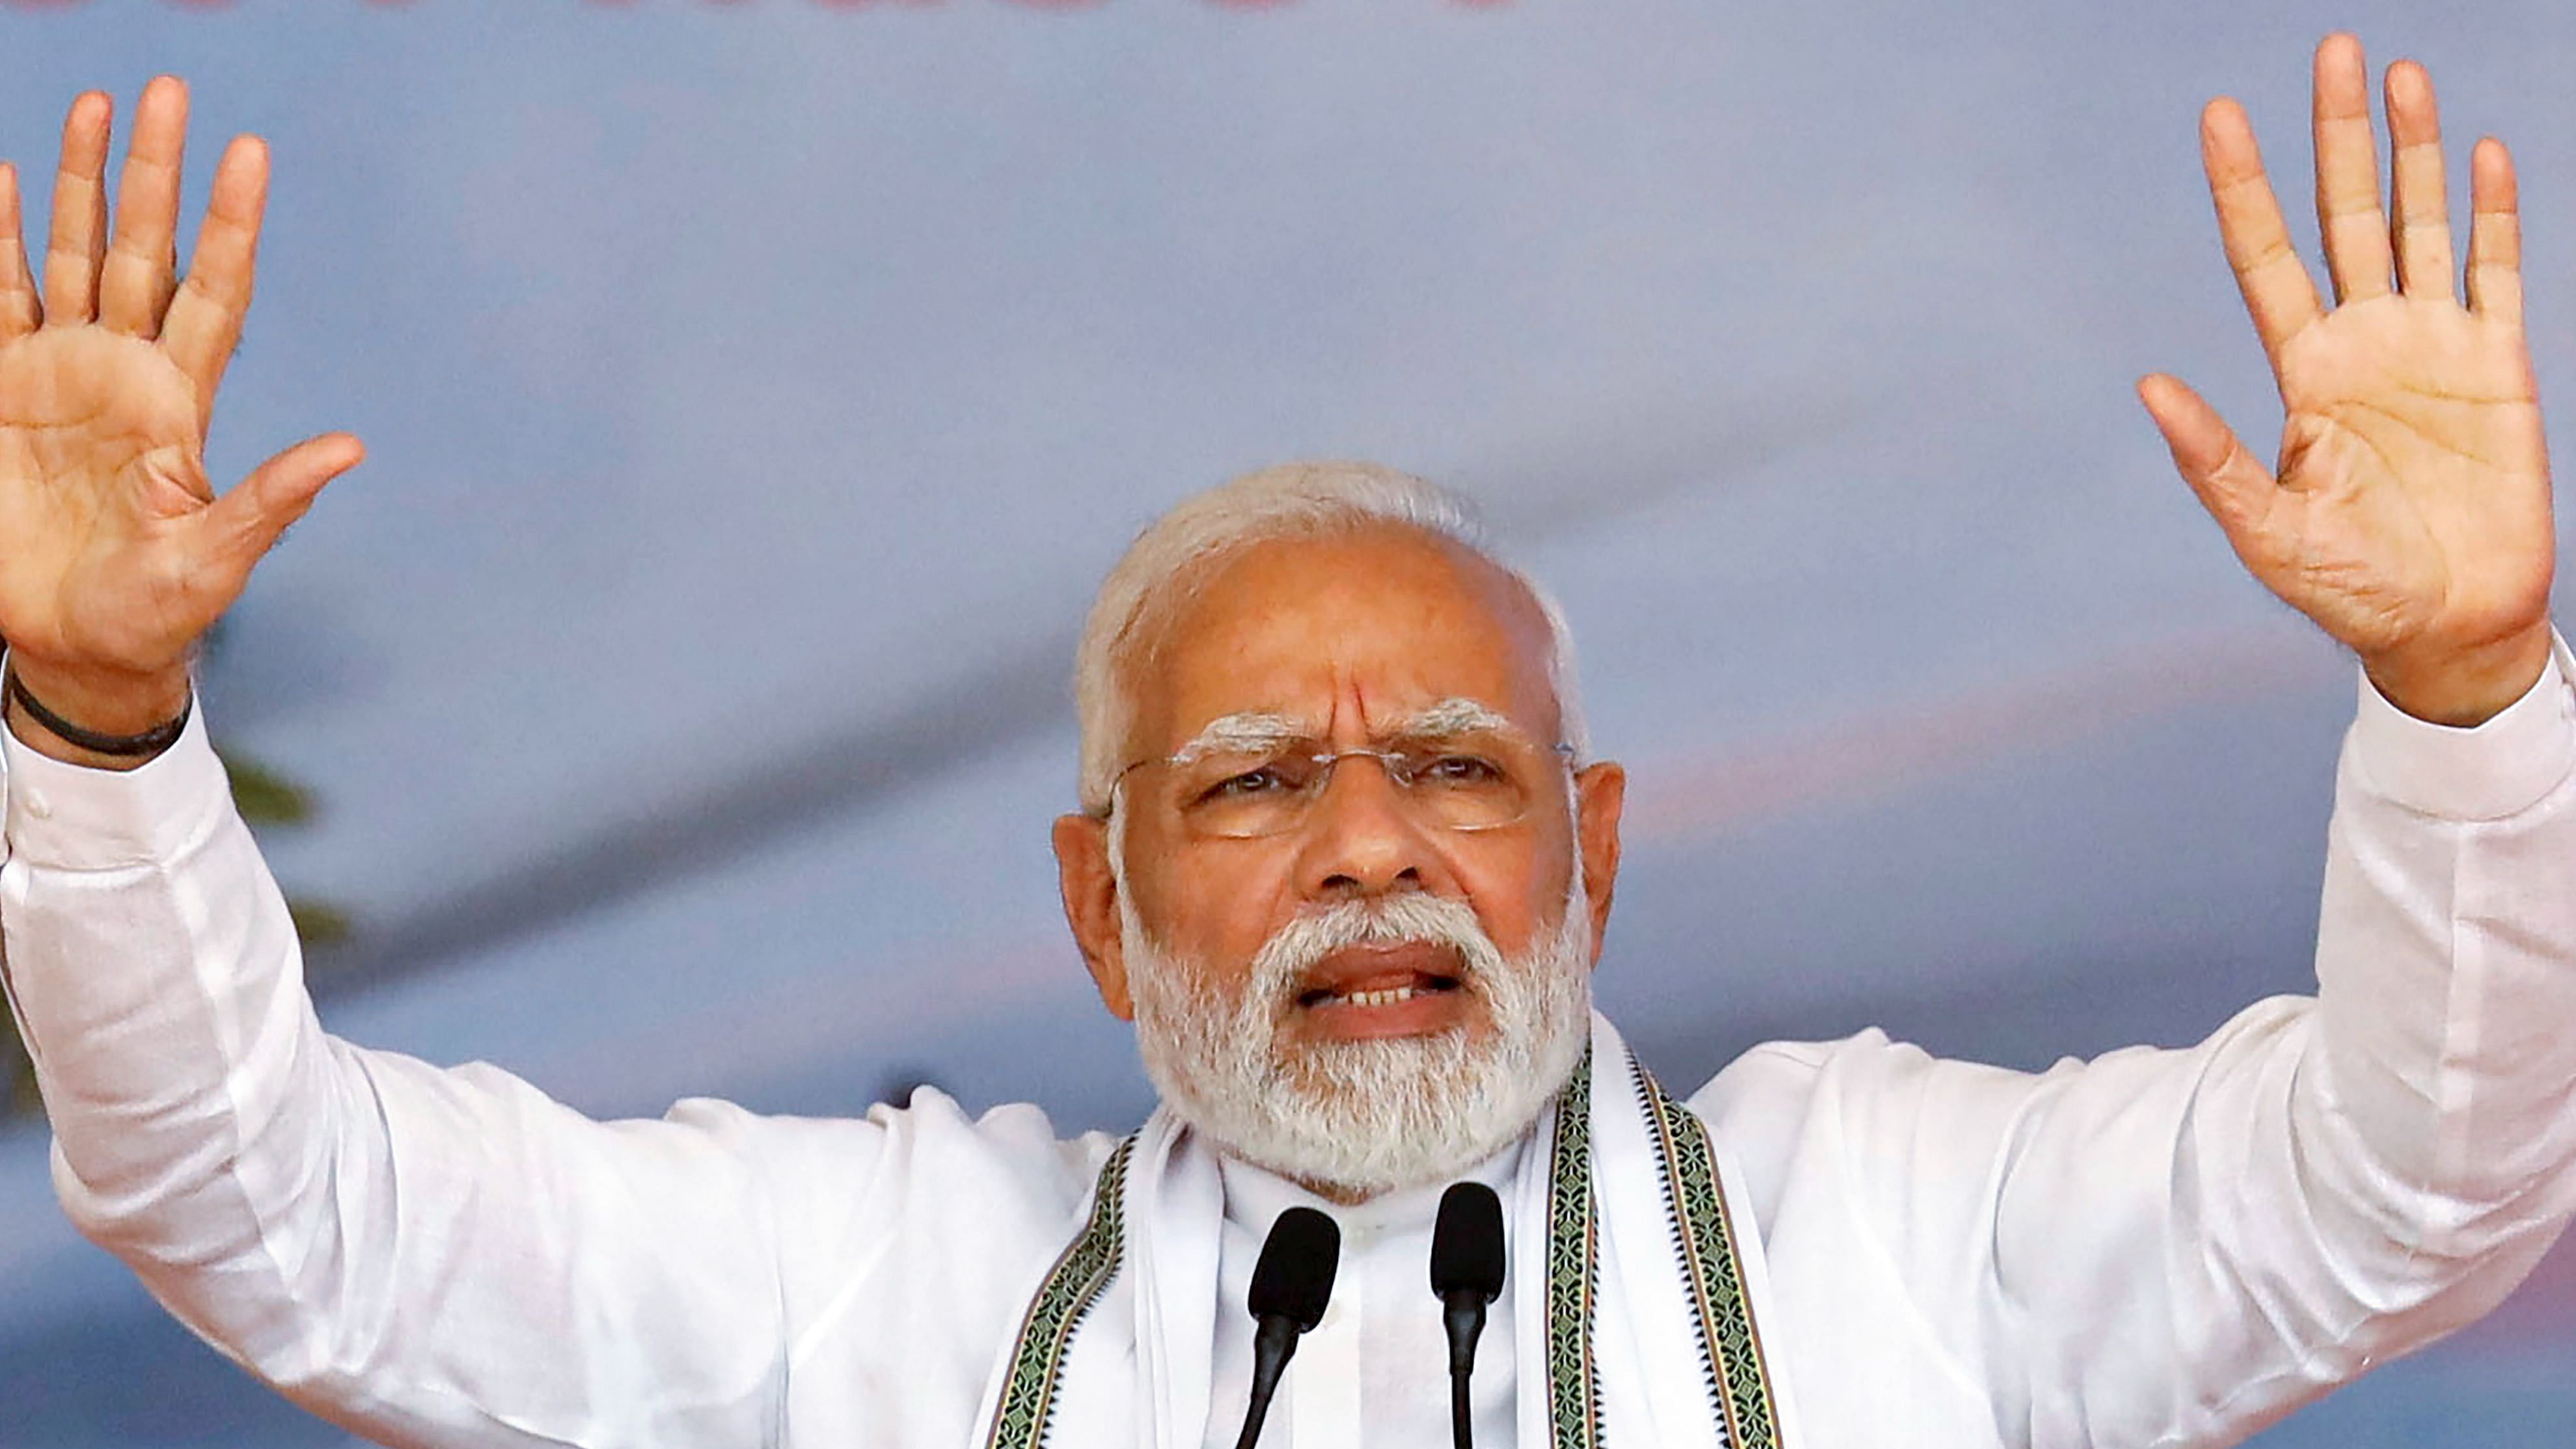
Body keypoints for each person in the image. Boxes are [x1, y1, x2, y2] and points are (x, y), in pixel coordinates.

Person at [1, 32, 2571, 1449]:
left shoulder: (1893, 1227)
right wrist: (99, 727)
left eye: (1458, 765)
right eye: (1249, 781)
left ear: (1593, 852)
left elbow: (2405, 1195)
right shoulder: (880, 1284)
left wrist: (2468, 693)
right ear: (1098, 899)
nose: (1371, 844)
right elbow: (272, 1214)